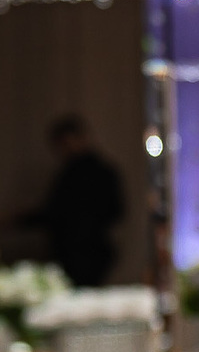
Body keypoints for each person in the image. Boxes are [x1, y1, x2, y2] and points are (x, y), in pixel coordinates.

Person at [27, 115, 126, 287]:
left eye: (65, 143)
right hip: (87, 250)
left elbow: (55, 212)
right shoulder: (94, 170)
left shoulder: (84, 173)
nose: (62, 150)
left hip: (83, 251)